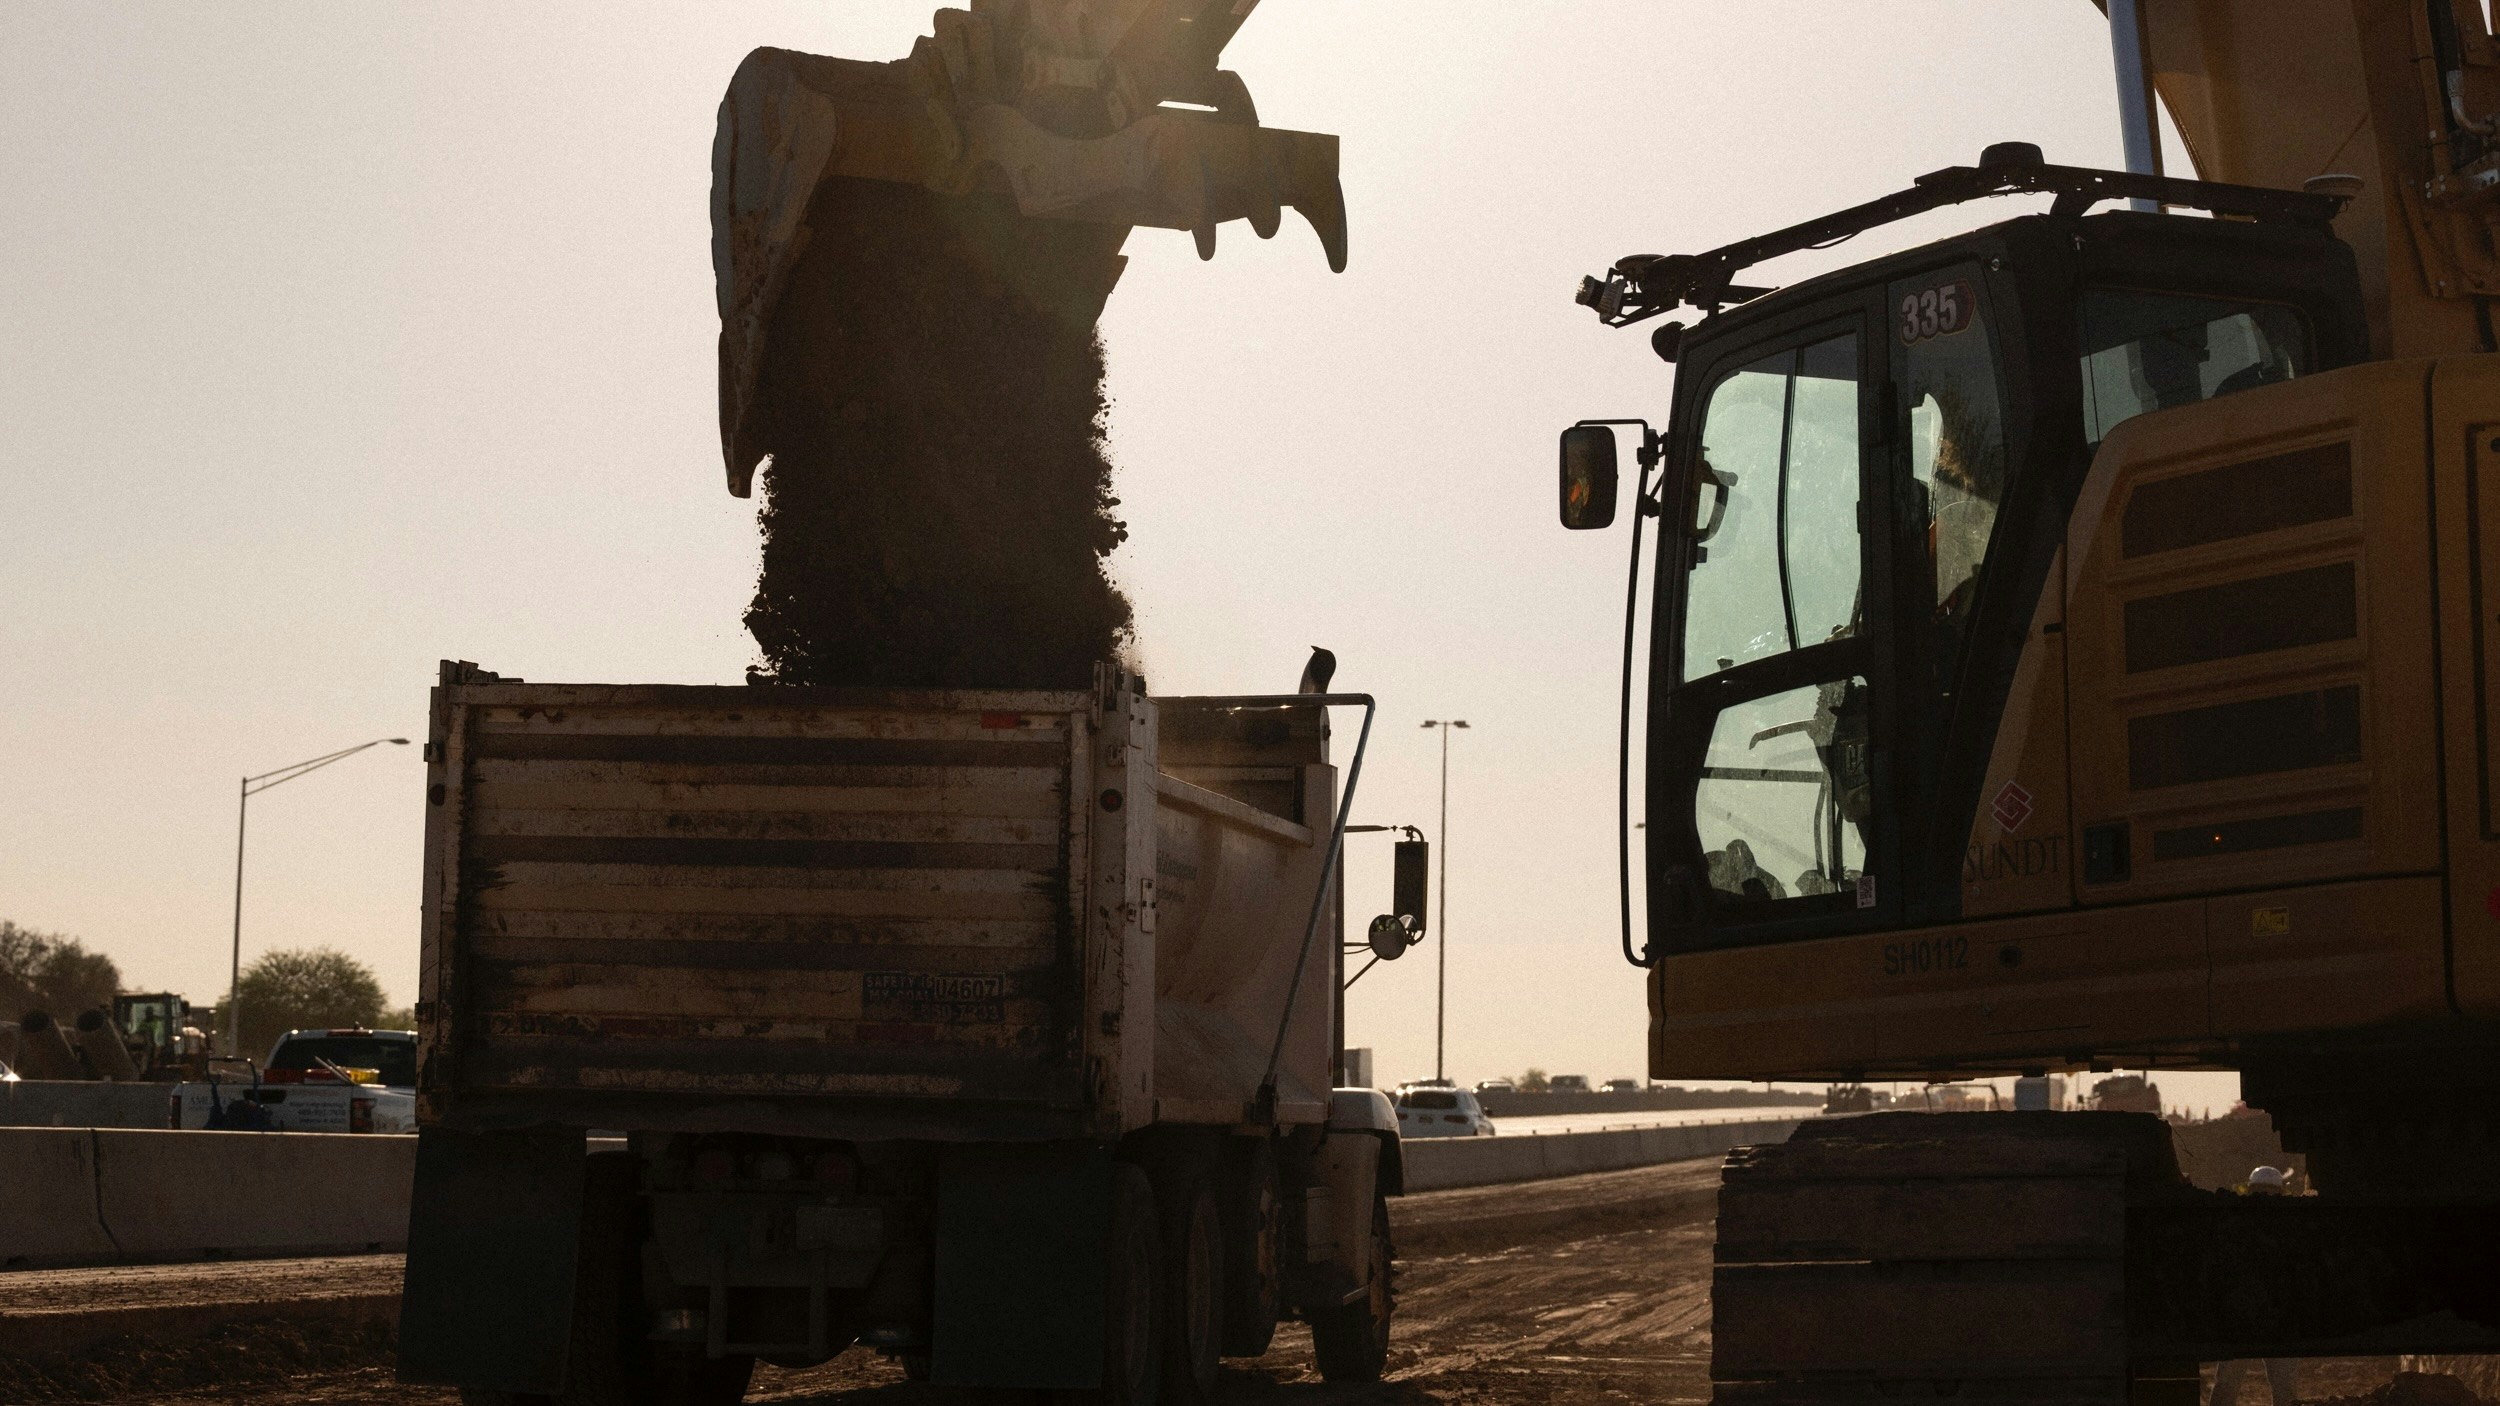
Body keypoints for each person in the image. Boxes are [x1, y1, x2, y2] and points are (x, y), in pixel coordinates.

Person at [2208, 1167, 2299, 1405]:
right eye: (2262, 1192)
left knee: (2281, 1387)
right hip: (2255, 1316)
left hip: (2257, 1316)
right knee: (2230, 1384)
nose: (2266, 1198)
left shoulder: (2236, 1225)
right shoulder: (2289, 1228)